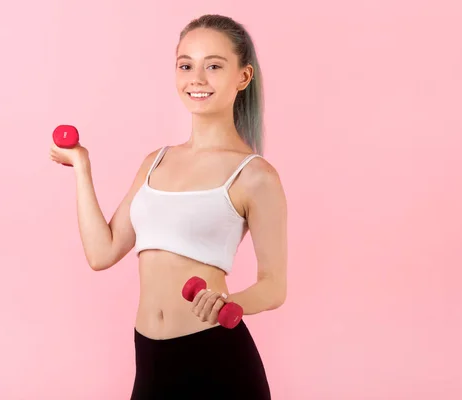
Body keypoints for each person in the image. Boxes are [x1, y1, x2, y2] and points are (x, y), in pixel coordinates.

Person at [49, 14, 287, 399]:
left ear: (243, 77)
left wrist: (229, 302)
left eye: (213, 65)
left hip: (216, 358)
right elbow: (102, 252)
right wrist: (81, 166)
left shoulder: (255, 175)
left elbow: (275, 286)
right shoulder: (155, 161)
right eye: (185, 65)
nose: (197, 78)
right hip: (150, 357)